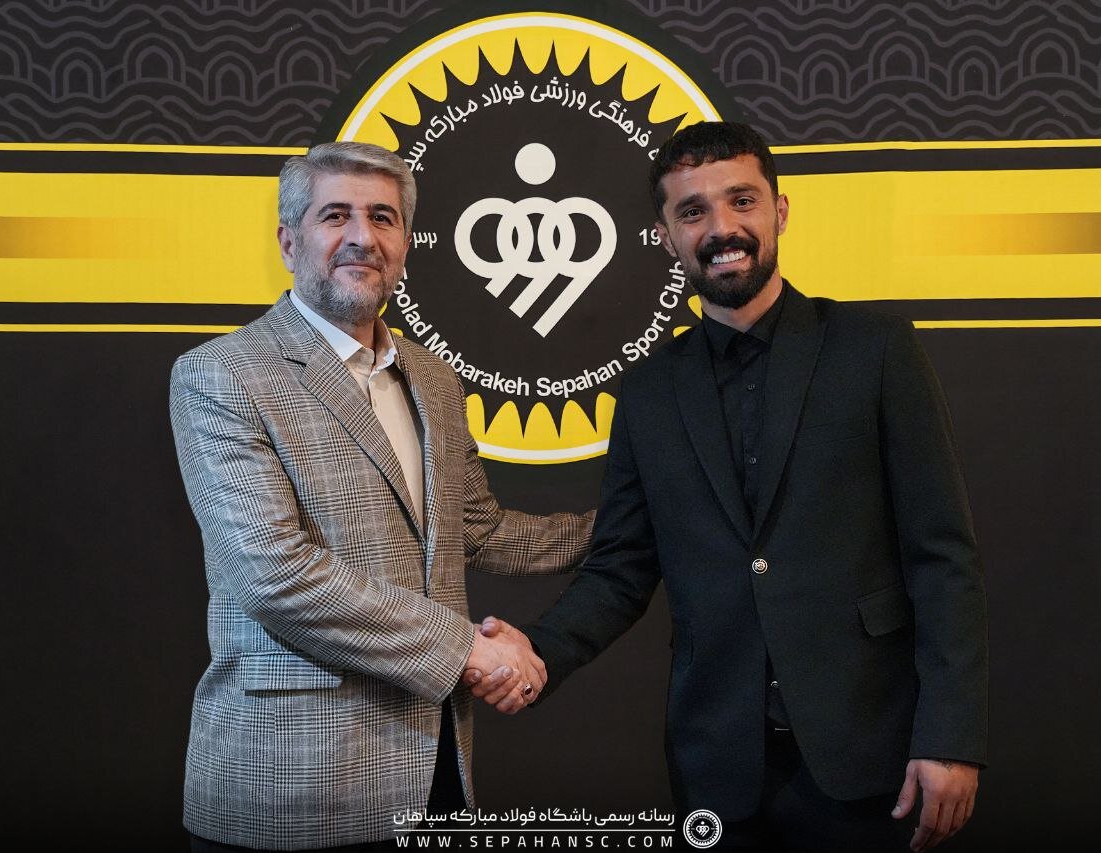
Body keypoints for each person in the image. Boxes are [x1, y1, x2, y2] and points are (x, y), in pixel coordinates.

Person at [474, 122, 988, 851]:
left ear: (780, 211)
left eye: (741, 201)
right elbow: (621, 568)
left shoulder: (874, 351)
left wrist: (950, 737)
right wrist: (537, 652)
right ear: (666, 237)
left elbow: (943, 561)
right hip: (718, 764)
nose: (721, 228)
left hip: (872, 754)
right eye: (693, 211)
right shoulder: (649, 391)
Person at [169, 141, 591, 851]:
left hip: (435, 768)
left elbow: (478, 530)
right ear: (288, 241)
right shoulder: (222, 375)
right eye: (336, 215)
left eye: (383, 218)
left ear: (404, 244)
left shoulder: (433, 378)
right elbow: (276, 574)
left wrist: (634, 525)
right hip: (293, 782)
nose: (362, 237)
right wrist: (466, 650)